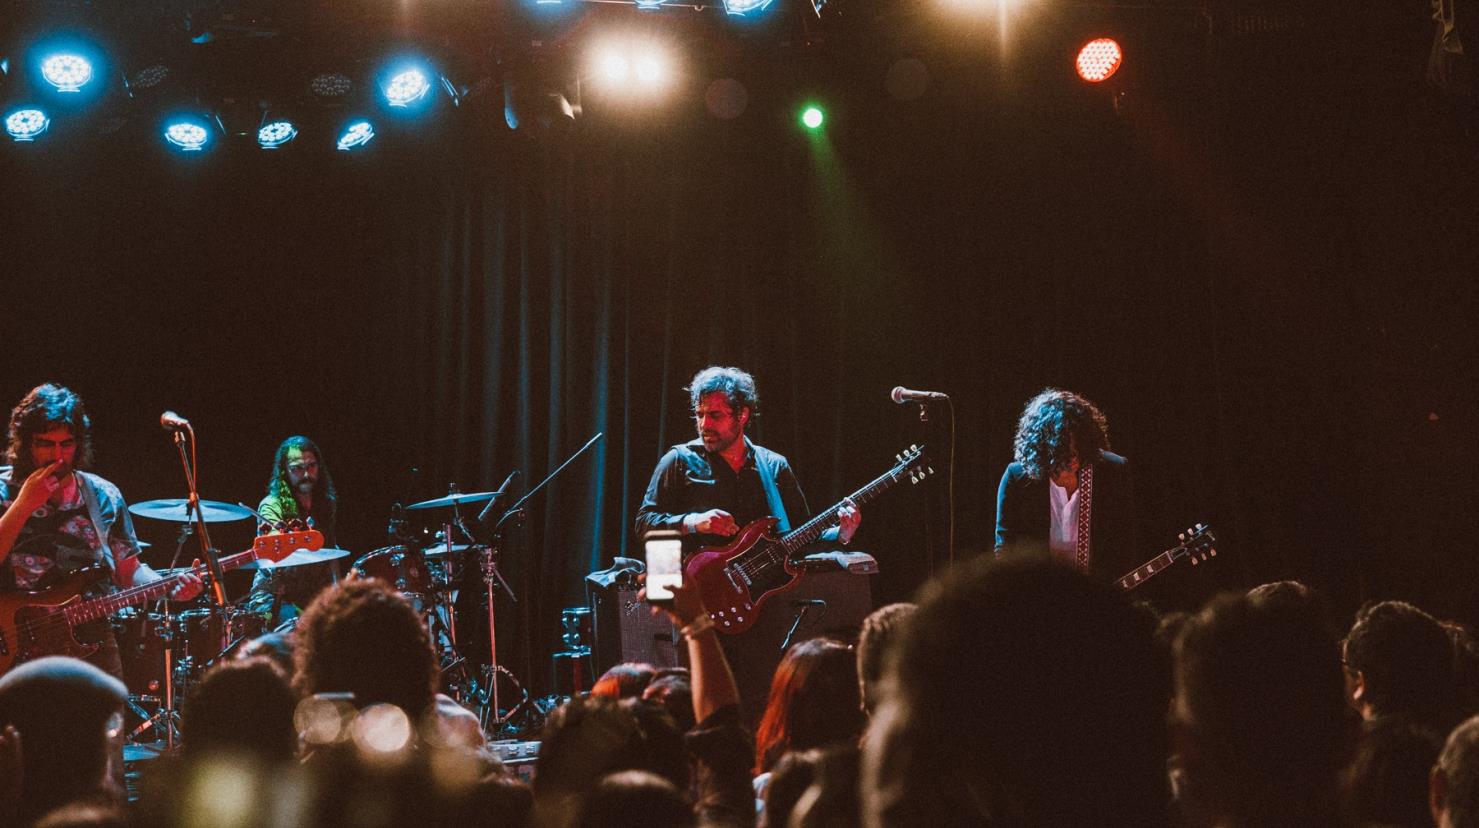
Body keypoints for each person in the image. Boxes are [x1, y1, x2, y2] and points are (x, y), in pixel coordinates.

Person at [0, 384, 202, 677]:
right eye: (45, 443)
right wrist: (23, 505)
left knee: (105, 721)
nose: (57, 456)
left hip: (90, 641)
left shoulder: (102, 495)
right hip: (14, 645)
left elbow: (128, 570)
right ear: (25, 444)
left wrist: (169, 588)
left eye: (66, 444)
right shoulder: (4, 492)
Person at [635, 366, 860, 554]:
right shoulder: (678, 460)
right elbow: (644, 525)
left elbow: (800, 535)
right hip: (698, 593)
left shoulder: (773, 466)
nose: (704, 425)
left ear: (742, 415)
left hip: (764, 597)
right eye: (699, 414)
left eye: (715, 415)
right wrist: (694, 523)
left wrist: (841, 535)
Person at [994, 388, 1137, 583]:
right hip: (1038, 597)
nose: (1074, 459)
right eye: (1064, 452)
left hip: (1095, 597)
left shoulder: (1112, 472)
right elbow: (1006, 552)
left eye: (1079, 449)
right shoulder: (1017, 478)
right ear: (1044, 449)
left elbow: (1123, 548)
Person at [248, 435, 340, 626]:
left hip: (314, 597)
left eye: (311, 466)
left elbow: (331, 553)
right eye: (297, 468)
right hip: (273, 597)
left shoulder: (327, 503)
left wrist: (339, 594)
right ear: (284, 472)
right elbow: (271, 547)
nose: (306, 474)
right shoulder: (271, 505)